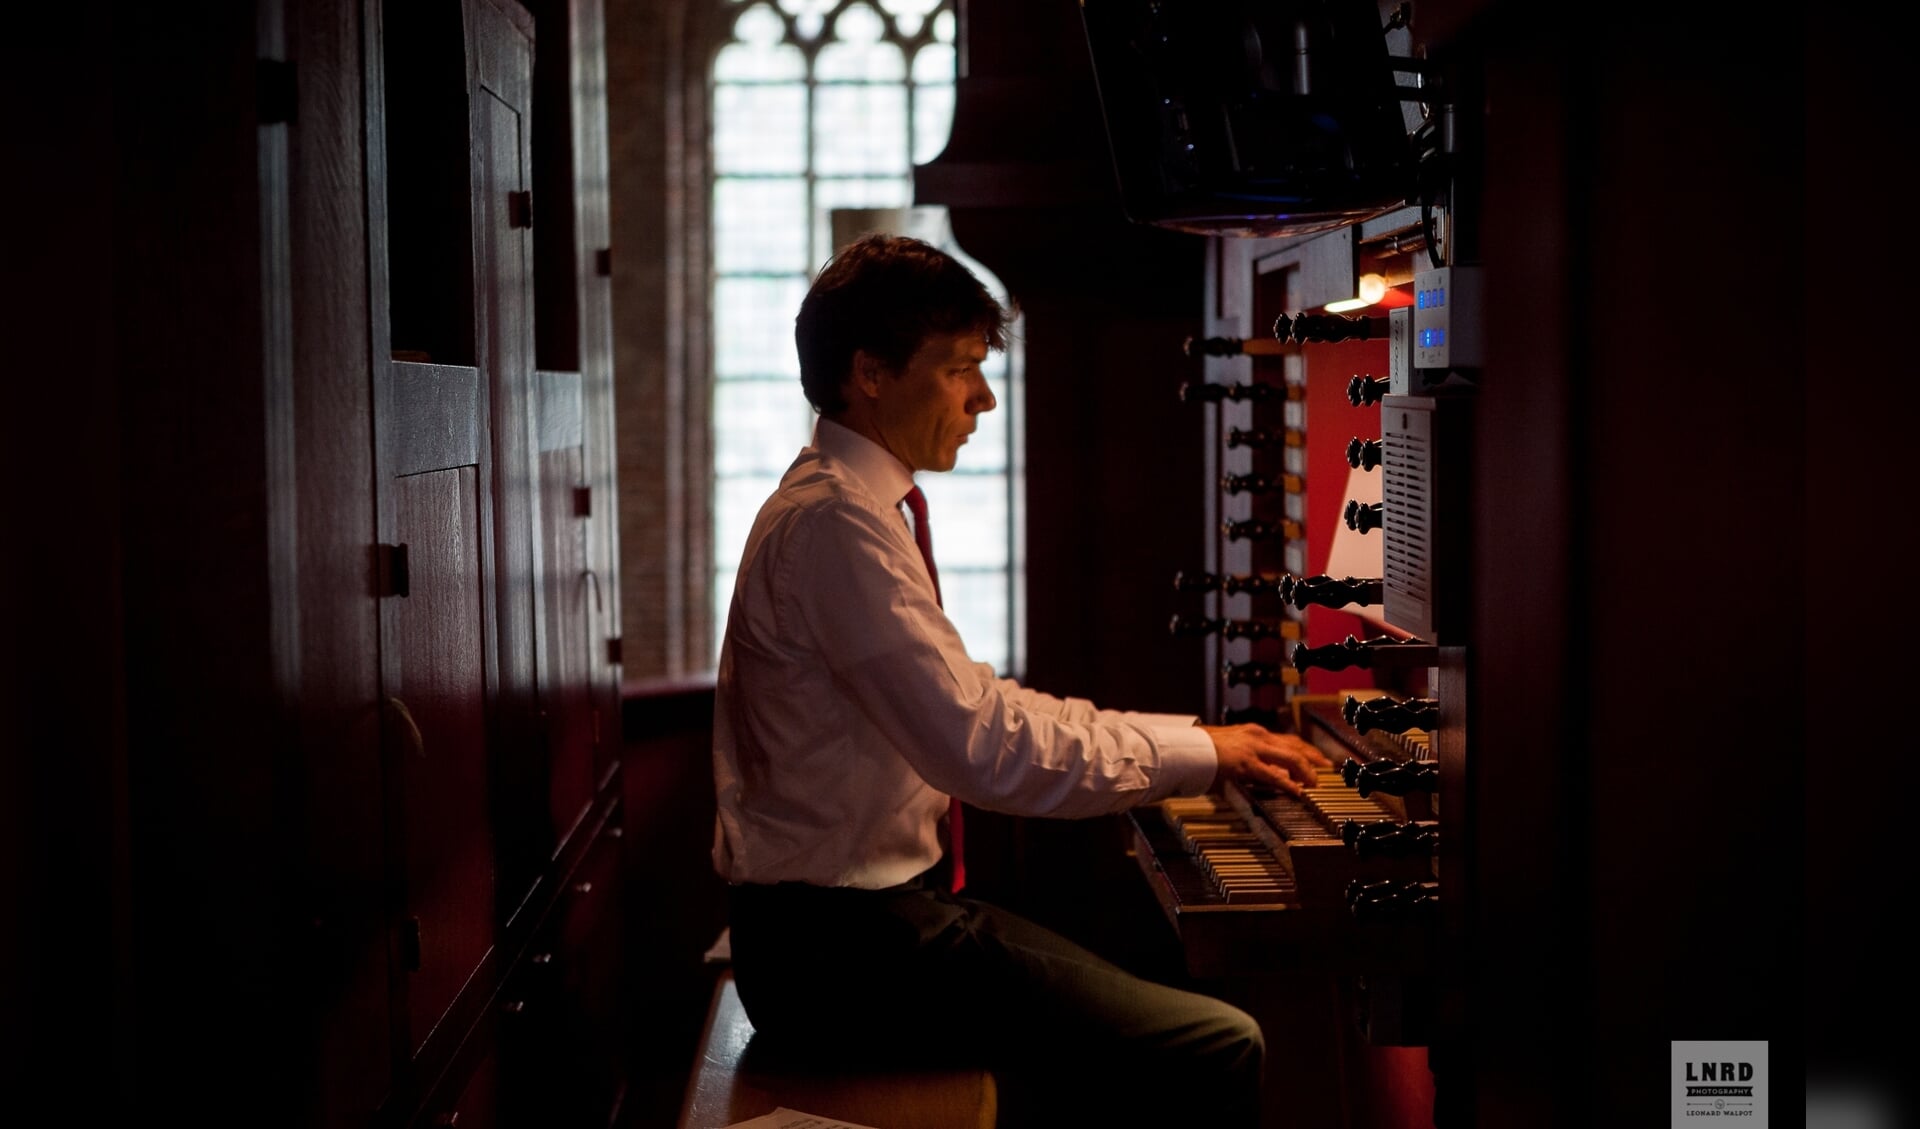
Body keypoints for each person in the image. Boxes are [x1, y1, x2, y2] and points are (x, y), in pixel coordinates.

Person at [711, 233, 1332, 1127]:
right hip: (842, 953)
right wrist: (1200, 753)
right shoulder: (837, 527)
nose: (985, 398)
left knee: (1089, 1047)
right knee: (1222, 1042)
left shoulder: (849, 508)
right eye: (962, 368)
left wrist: (1195, 744)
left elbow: (981, 704)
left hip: (845, 936)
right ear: (871, 373)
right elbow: (983, 747)